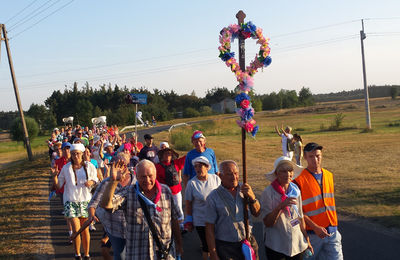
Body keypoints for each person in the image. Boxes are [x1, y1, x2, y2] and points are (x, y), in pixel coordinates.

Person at [100, 159, 183, 260]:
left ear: (155, 175)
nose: (147, 180)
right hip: (138, 254)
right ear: (137, 177)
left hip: (164, 253)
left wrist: (179, 244)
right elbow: (106, 205)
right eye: (143, 177)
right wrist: (113, 181)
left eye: (150, 176)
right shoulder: (129, 192)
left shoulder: (166, 191)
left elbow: (174, 220)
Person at [293, 143, 343, 260]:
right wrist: (315, 227)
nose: (315, 160)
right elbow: (297, 211)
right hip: (312, 235)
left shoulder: (329, 176)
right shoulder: (298, 180)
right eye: (311, 156)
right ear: (305, 157)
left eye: (318, 156)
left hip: (332, 232)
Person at [51, 143, 99, 260]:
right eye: (73, 154)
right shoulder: (66, 168)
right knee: (76, 229)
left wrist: (91, 182)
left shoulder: (89, 166)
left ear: (82, 154)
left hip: (85, 201)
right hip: (71, 201)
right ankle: (77, 254)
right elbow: (58, 186)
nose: (75, 156)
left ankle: (86, 254)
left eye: (77, 154)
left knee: (85, 230)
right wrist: (54, 177)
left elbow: (96, 179)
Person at [205, 160, 260, 260]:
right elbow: (209, 227)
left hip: (248, 243)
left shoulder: (245, 189)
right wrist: (213, 253)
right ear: (220, 176)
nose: (234, 177)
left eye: (235, 173)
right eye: (229, 174)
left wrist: (252, 197)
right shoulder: (213, 197)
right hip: (226, 248)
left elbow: (257, 213)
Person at [261, 156, 312, 259]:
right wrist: (280, 206)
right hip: (277, 246)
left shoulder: (295, 190)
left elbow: (300, 217)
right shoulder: (268, 192)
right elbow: (267, 222)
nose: (288, 174)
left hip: (297, 244)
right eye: (283, 171)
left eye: (290, 170)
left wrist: (307, 240)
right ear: (276, 173)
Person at [87, 153, 135, 260]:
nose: (119, 168)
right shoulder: (105, 183)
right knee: (120, 256)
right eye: (116, 165)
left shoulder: (136, 182)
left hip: (134, 228)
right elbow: (92, 204)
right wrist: (91, 215)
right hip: (114, 229)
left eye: (122, 165)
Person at [185, 156, 221, 260]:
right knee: (207, 246)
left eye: (200, 166)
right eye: (195, 167)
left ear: (207, 167)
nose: (197, 169)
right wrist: (189, 220)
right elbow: (188, 203)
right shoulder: (192, 184)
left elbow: (222, 195)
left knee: (217, 244)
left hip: (217, 219)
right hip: (201, 220)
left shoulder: (215, 179)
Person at [155, 147, 186, 230]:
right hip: (164, 193)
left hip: (176, 192)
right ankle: (168, 226)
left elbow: (187, 157)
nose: (168, 155)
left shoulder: (176, 163)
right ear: (162, 156)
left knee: (179, 208)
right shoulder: (157, 167)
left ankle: (181, 225)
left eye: (169, 153)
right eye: (166, 154)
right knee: (165, 210)